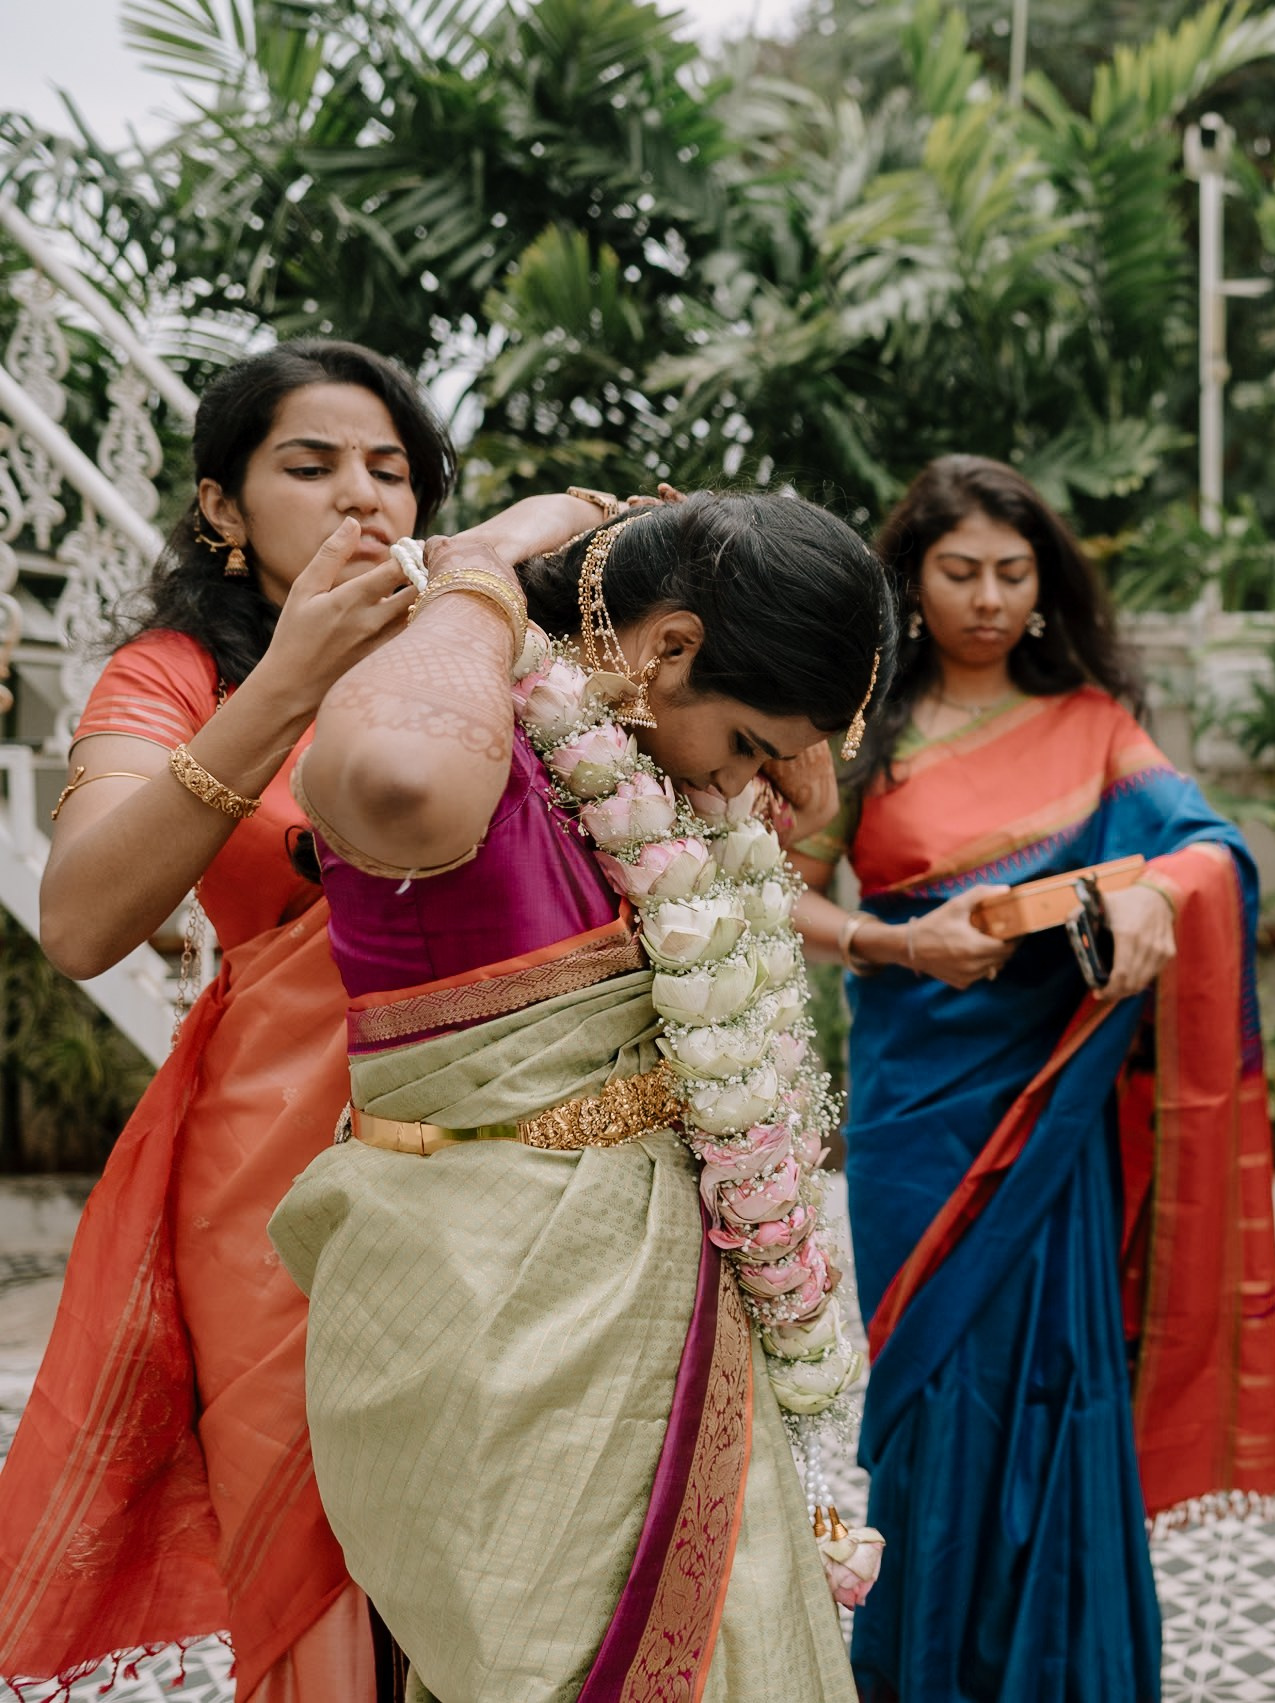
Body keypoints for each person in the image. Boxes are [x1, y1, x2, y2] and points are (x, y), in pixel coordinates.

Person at [0, 341, 616, 1700]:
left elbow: (624, 532)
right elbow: (82, 922)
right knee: (318, 1555)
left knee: (514, 1535)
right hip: (275, 1174)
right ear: (221, 504)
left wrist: (503, 552)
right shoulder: (169, 673)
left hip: (508, 1152)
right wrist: (285, 683)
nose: (361, 496)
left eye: (392, 469)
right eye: (311, 464)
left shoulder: (494, 643)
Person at [269, 490, 890, 1700]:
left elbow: (795, 811)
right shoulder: (478, 733)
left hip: (669, 1323)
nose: (753, 776)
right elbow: (395, 778)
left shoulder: (647, 771)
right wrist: (486, 556)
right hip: (493, 1320)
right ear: (670, 645)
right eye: (748, 739)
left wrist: (768, 749)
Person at [786, 454, 1275, 1701]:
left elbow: (1210, 846)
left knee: (1055, 1374)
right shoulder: (861, 724)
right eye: (960, 570)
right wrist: (897, 942)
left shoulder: (1093, 724)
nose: (989, 597)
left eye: (1013, 572)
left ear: (1045, 584)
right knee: (933, 1383)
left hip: (1052, 1099)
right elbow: (770, 885)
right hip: (915, 1105)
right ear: (911, 579)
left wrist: (1158, 889)